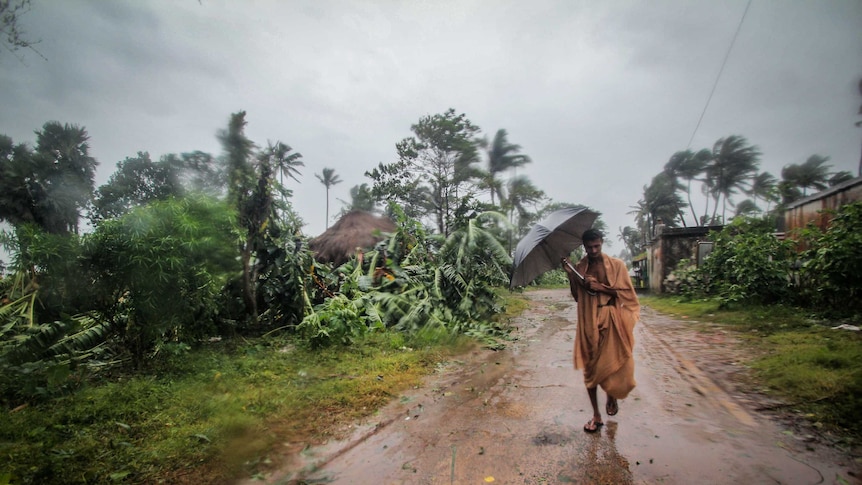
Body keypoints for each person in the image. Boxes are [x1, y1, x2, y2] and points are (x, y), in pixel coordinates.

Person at [562, 228, 640, 433]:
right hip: (587, 321)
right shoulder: (580, 267)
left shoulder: (616, 266)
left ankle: (611, 395)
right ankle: (596, 415)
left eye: (597, 246)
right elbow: (578, 296)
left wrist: (601, 287)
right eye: (590, 247)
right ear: (584, 247)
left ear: (602, 242)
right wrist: (572, 275)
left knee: (610, 363)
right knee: (589, 370)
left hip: (609, 317)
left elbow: (625, 294)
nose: (594, 250)